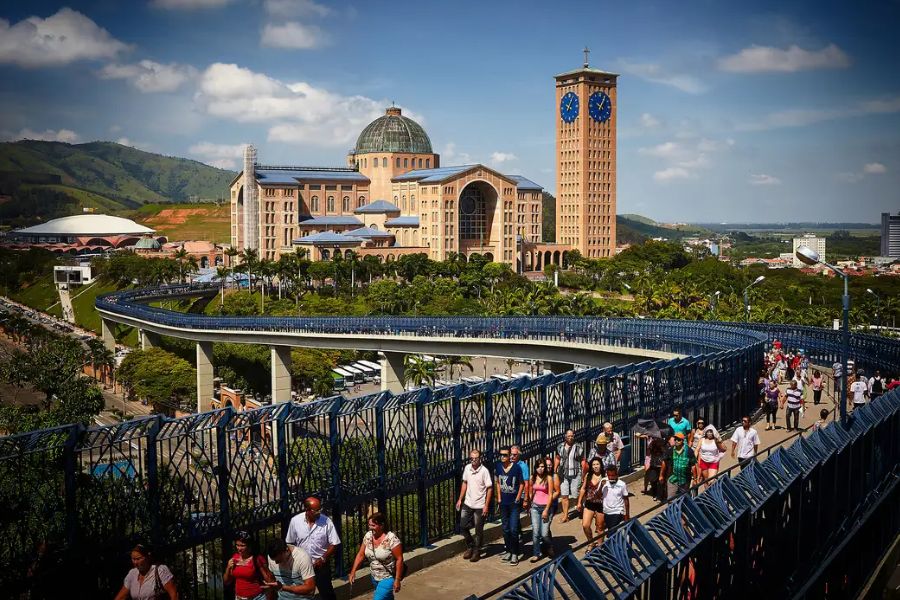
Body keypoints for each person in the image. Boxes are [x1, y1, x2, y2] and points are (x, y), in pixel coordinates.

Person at [285, 497, 341, 600]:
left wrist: (323, 558)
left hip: (320, 566)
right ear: (307, 509)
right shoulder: (295, 521)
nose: (319, 512)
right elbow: (290, 543)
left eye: (320, 509)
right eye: (316, 510)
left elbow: (334, 543)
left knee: (327, 593)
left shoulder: (326, 521)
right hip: (302, 567)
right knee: (304, 595)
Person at [348, 513, 404, 600]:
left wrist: (397, 579)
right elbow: (360, 554)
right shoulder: (368, 536)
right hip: (374, 576)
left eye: (373, 525)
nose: (370, 527)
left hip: (387, 577)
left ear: (381, 525)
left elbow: (399, 559)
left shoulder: (392, 539)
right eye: (369, 525)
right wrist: (353, 571)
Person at [455, 449, 493, 562]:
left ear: (480, 458)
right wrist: (460, 499)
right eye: (471, 458)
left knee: (478, 529)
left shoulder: (484, 471)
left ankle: (476, 551)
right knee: (462, 526)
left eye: (475, 458)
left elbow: (489, 488)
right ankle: (470, 545)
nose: (473, 460)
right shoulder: (467, 468)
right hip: (468, 503)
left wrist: (486, 505)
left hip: (480, 505)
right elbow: (464, 483)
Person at [114, 543, 179, 600]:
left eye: (138, 559)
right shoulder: (132, 574)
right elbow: (121, 597)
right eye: (133, 559)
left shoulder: (160, 570)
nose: (135, 562)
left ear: (148, 557)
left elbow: (174, 595)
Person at [494, 446, 525, 565]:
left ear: (509, 456)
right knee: (505, 529)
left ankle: (515, 553)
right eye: (501, 455)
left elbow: (522, 483)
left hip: (513, 503)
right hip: (503, 503)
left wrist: (518, 497)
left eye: (505, 455)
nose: (503, 457)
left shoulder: (516, 468)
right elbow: (497, 482)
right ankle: (509, 549)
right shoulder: (498, 467)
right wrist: (499, 497)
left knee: (513, 529)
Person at [223, 531, 276, 600]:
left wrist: (269, 593)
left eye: (242, 546)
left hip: (257, 597)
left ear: (249, 546)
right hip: (239, 597)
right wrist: (228, 567)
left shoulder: (257, 559)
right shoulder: (234, 558)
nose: (239, 548)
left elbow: (270, 580)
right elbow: (226, 582)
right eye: (237, 545)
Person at [528, 459, 558, 562]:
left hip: (546, 507)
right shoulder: (533, 477)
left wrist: (546, 509)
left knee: (544, 533)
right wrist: (530, 505)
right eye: (538, 467)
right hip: (535, 507)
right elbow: (531, 491)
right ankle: (537, 553)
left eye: (542, 467)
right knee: (536, 532)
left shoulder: (549, 478)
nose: (540, 469)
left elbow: (550, 494)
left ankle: (549, 546)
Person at [554, 429, 584, 523]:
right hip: (563, 474)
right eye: (568, 436)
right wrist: (555, 469)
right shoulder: (560, 447)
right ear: (565, 437)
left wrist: (583, 473)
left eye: (572, 436)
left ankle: (581, 508)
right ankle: (565, 515)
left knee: (575, 494)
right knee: (564, 495)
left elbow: (582, 460)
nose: (570, 437)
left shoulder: (578, 447)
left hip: (575, 473)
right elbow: (558, 458)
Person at [576, 457, 605, 549]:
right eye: (593, 465)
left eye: (597, 464)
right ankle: (591, 542)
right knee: (585, 525)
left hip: (601, 505)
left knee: (600, 527)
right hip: (589, 504)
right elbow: (583, 489)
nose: (596, 466)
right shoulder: (588, 475)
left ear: (601, 465)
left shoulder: (605, 476)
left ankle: (600, 545)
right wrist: (579, 502)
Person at [660, 432, 696, 500]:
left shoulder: (689, 451)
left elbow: (693, 465)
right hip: (673, 478)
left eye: (678, 439)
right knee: (670, 498)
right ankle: (672, 510)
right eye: (675, 439)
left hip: (685, 480)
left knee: (684, 499)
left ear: (682, 441)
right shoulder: (670, 450)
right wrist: (661, 475)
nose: (676, 441)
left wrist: (695, 479)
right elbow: (664, 461)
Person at [599, 466, 629, 541]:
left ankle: (612, 548)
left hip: (617, 511)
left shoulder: (622, 484)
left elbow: (626, 499)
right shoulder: (604, 482)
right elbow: (599, 495)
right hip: (606, 511)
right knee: (611, 530)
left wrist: (627, 514)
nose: (611, 478)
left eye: (613, 475)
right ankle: (619, 544)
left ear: (617, 475)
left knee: (611, 532)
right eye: (609, 475)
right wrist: (601, 486)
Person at [643, 436, 666, 502]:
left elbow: (665, 452)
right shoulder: (652, 443)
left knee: (661, 480)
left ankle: (661, 495)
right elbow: (649, 452)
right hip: (653, 464)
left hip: (661, 464)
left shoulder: (664, 443)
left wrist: (661, 447)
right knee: (653, 480)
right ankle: (654, 494)